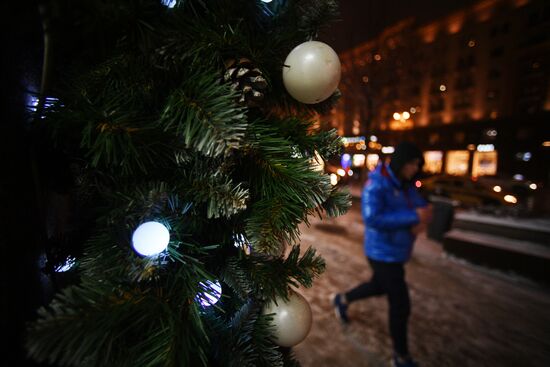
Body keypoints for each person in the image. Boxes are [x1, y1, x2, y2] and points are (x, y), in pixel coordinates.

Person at [333, 141, 432, 367]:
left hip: (396, 252)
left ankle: (342, 299)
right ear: (401, 162)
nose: (415, 169)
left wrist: (425, 212)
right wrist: (414, 217)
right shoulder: (377, 184)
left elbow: (419, 205)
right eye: (412, 164)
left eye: (418, 165)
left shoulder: (406, 185)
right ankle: (401, 356)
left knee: (378, 286)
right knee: (400, 303)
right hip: (381, 253)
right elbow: (372, 218)